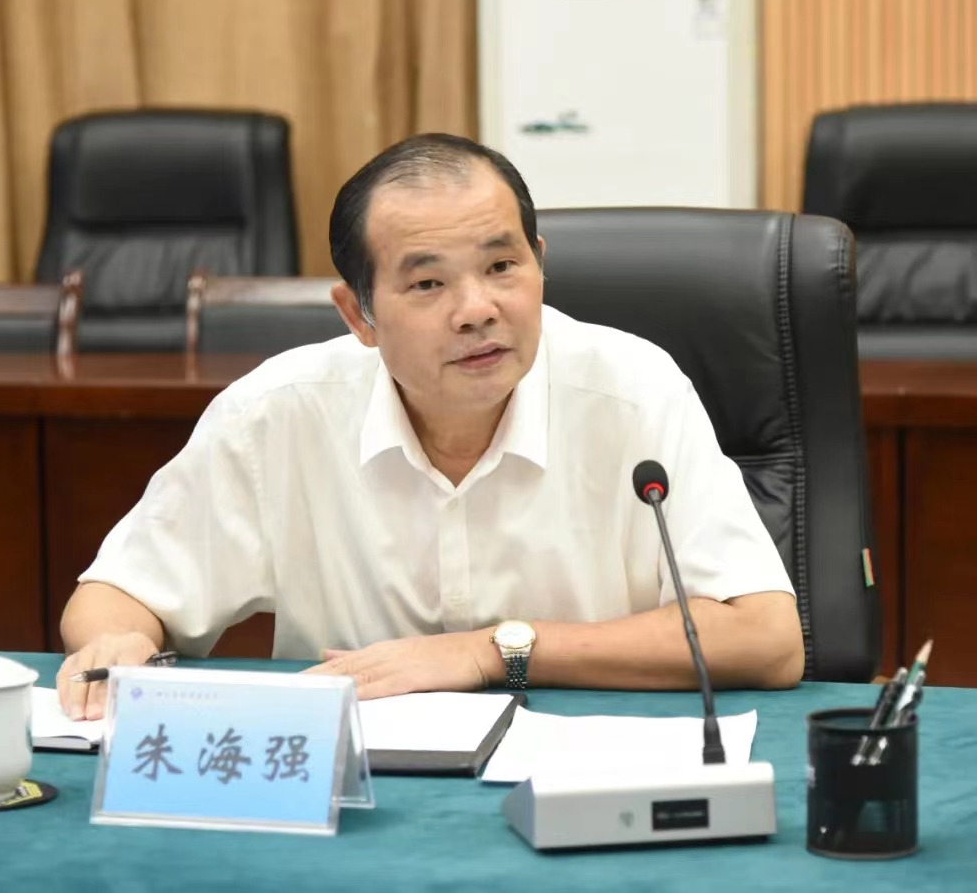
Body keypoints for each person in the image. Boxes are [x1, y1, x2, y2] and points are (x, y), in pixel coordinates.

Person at [57, 133, 804, 720]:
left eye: (502, 267)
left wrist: (491, 651)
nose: (477, 309)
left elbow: (767, 638)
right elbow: (120, 593)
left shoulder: (634, 392)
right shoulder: (277, 412)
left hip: (584, 766)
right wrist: (117, 642)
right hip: (358, 787)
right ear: (359, 315)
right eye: (428, 282)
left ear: (540, 264)